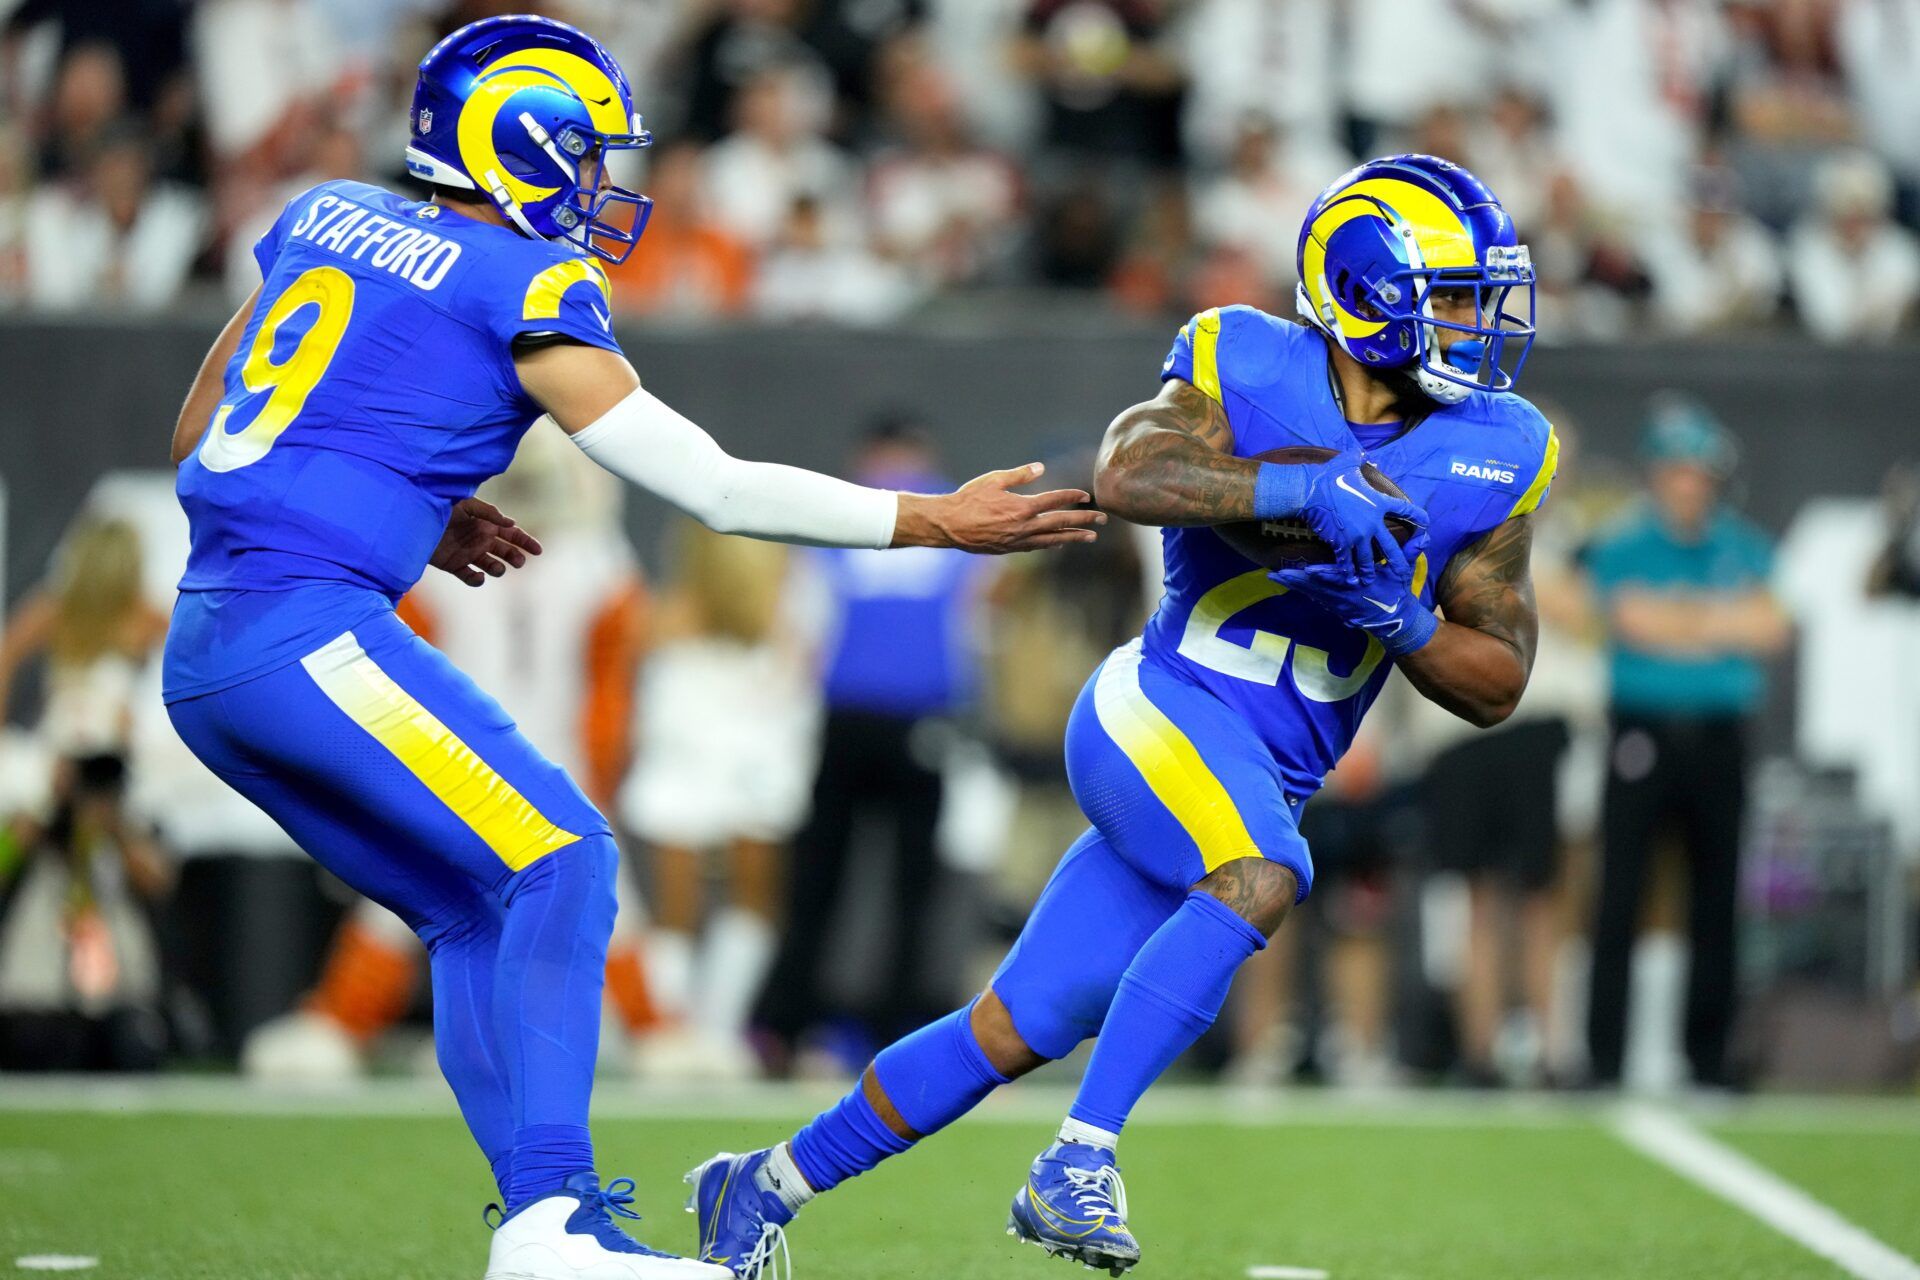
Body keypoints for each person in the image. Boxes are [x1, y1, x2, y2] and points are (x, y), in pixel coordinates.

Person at [158, 16, 1102, 1280]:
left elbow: (199, 437)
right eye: (588, 156)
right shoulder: (518, 280)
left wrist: (407, 501)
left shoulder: (323, 214)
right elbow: (708, 485)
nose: (603, 186)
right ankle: (552, 1228)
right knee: (566, 853)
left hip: (211, 649)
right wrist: (931, 516)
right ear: (522, 148)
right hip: (299, 630)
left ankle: (552, 1222)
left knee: (465, 905)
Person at [688, 154, 1559, 1278]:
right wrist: (1301, 490)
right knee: (1262, 872)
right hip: (1161, 709)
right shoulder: (1244, 355)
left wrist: (1397, 617)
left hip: (1258, 772)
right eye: (1450, 297)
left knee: (1014, 1023)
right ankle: (1077, 1159)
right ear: (1366, 291)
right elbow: (1128, 469)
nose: (1475, 325)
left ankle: (758, 1186)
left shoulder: (1498, 446)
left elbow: (1497, 680)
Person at [755, 422, 989, 1061]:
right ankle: (901, 1022)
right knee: (913, 884)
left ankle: (787, 1022)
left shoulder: (842, 506)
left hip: (849, 715)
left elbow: (802, 625)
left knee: (820, 878)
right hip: (923, 718)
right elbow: (981, 620)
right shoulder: (956, 510)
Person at [1580, 396, 1789, 1092]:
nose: (1688, 485)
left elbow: (1770, 628)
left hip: (1719, 741)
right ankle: (1602, 1057)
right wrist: (1717, 621)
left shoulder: (1741, 543)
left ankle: (1709, 1058)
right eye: (1677, 471)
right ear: (1657, 475)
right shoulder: (1624, 543)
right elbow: (1631, 620)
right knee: (1620, 895)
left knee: (1717, 898)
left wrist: (1680, 620)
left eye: (1698, 472)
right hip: (1641, 734)